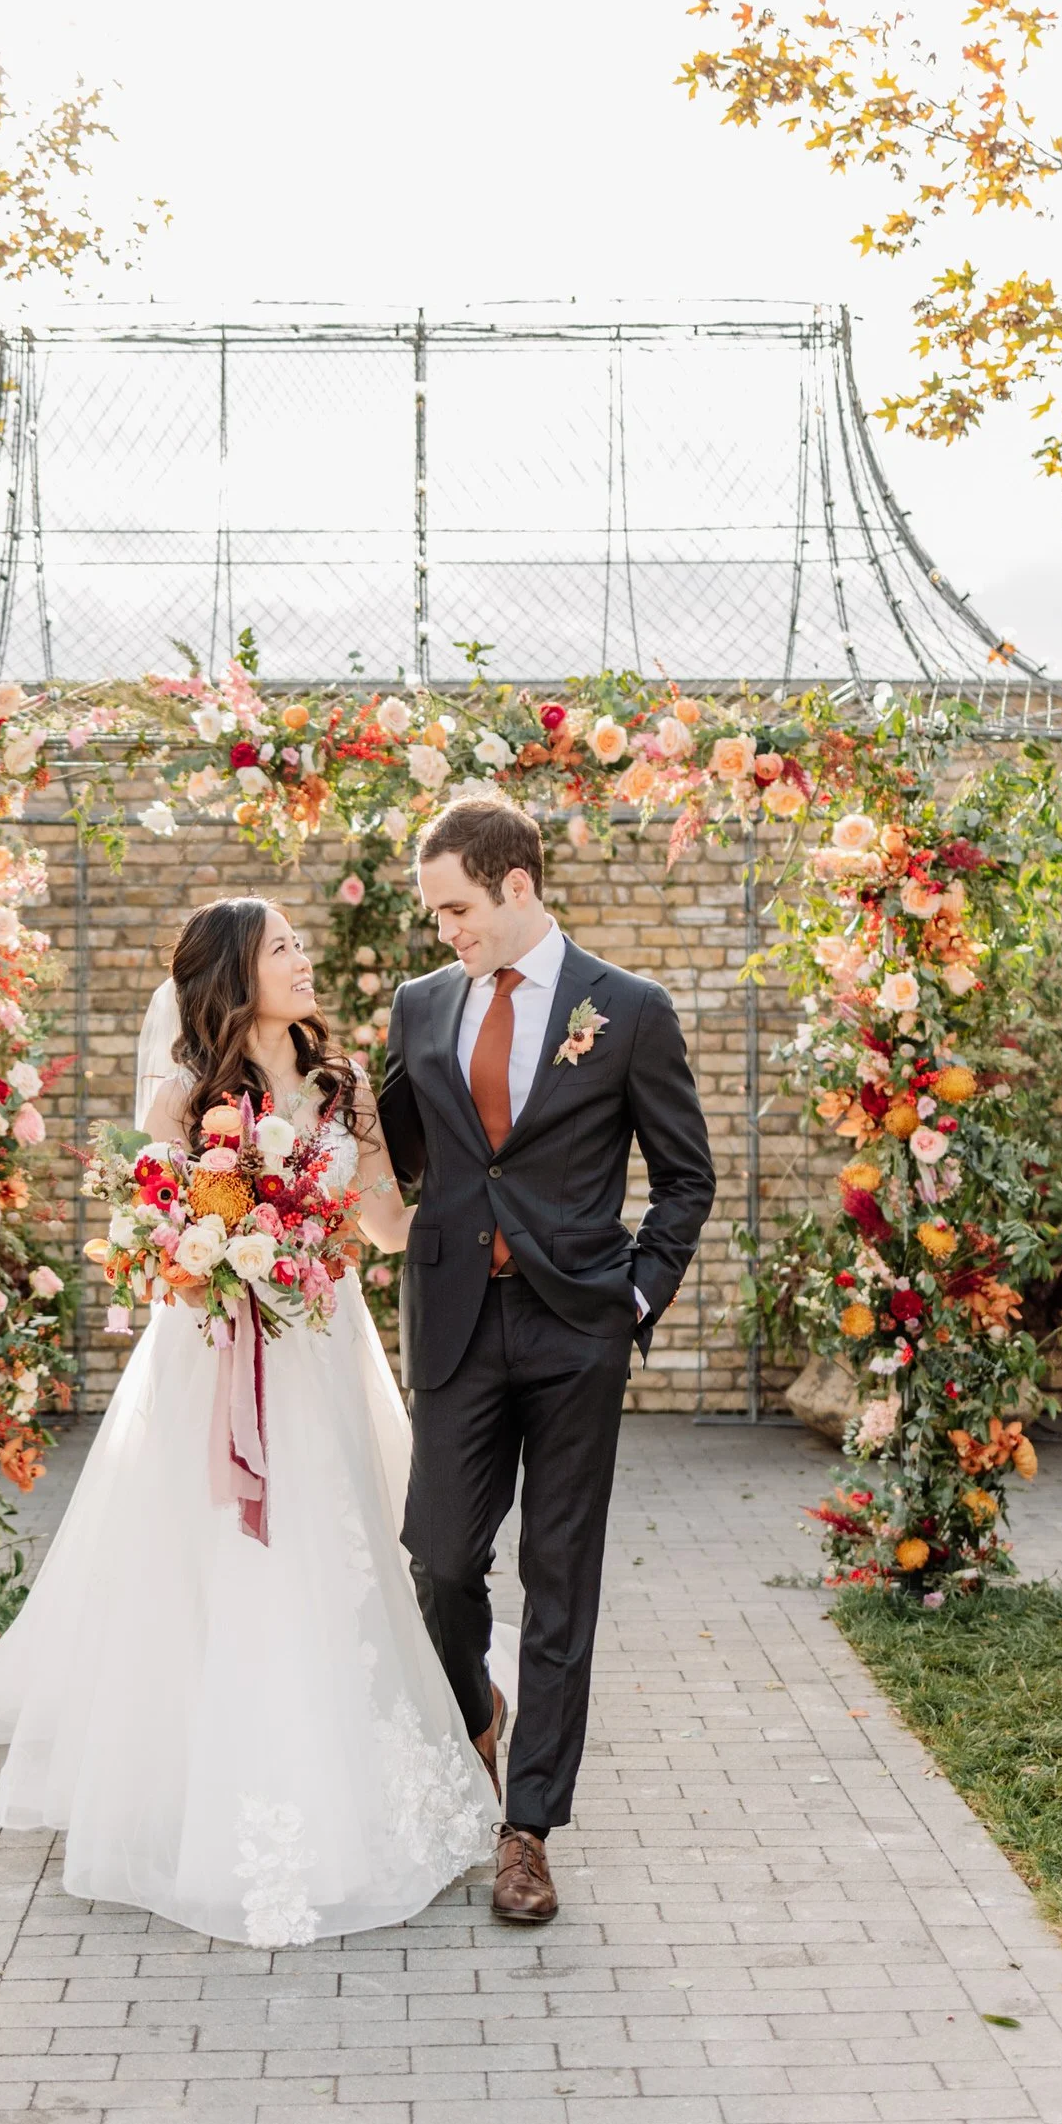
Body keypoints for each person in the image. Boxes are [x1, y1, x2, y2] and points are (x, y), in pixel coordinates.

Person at [0, 894, 498, 1948]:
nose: (303, 958)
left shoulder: (342, 1090)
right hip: (213, 1360)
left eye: (298, 942)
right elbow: (147, 1226)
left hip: (319, 1353)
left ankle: (349, 1760)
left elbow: (380, 1223)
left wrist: (482, 1222)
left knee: (331, 1556)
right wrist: (207, 1258)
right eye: (283, 947)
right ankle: (204, 1767)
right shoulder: (184, 1095)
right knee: (216, 1565)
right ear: (237, 974)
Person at [380, 796, 715, 1925]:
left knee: (561, 1581)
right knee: (438, 1561)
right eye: (435, 915)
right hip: (456, 1326)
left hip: (577, 1329)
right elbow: (387, 1150)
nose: (446, 933)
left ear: (516, 886)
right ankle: (477, 1711)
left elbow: (685, 1177)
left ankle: (527, 1831)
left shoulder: (629, 1010)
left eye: (457, 909)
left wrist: (634, 1295)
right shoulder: (419, 1008)